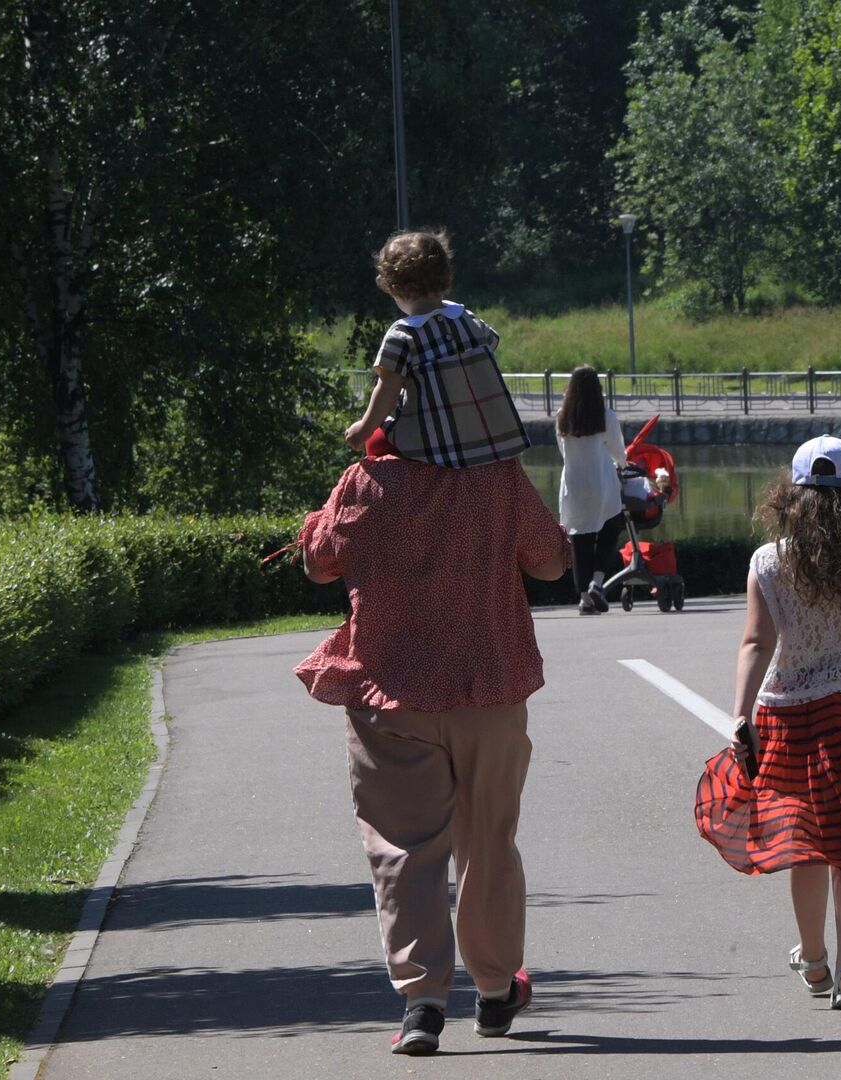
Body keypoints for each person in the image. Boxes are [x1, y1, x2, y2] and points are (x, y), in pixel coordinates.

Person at [294, 452, 570, 1055]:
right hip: (489, 686)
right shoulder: (496, 474)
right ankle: (496, 991)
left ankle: (423, 1004)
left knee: (403, 850)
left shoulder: (366, 479)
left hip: (391, 694)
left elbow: (318, 566)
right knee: (489, 839)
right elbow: (551, 562)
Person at [697, 435, 841, 1011]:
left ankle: (815, 959)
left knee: (803, 839)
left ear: (791, 497)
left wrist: (739, 713)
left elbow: (757, 641)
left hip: (790, 715)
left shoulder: (769, 562)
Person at [343, 228, 529, 468]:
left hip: (434, 445)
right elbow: (491, 344)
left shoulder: (403, 334)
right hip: (485, 436)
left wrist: (363, 429)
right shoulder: (467, 318)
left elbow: (388, 389)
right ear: (445, 277)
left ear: (394, 287)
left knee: (376, 444)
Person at [554, 365, 628, 613]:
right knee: (612, 525)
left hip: (574, 484)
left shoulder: (562, 416)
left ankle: (584, 598)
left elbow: (563, 452)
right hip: (601, 483)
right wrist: (622, 463)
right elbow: (618, 451)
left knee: (580, 539)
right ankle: (597, 582)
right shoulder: (606, 416)